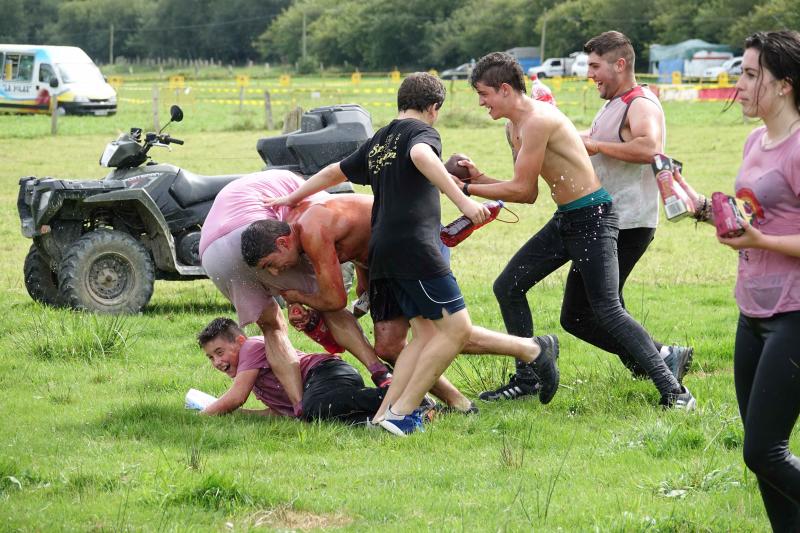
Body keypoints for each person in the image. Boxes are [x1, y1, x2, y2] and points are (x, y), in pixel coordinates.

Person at [266, 72, 561, 435]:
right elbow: (421, 154)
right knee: (454, 331)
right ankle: (404, 413)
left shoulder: (380, 139)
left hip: (382, 250)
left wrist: (291, 198)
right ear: (434, 108)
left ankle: (383, 417)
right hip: (414, 248)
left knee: (422, 337)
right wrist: (465, 203)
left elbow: (332, 172)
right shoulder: (421, 135)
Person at [457, 51, 693, 409]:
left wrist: (465, 189)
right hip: (567, 218)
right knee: (508, 286)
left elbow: (522, 192)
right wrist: (479, 180)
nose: (480, 102)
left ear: (504, 89)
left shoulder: (537, 120)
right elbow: (526, 187)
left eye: (483, 94)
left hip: (594, 218)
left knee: (608, 309)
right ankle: (528, 378)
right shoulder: (514, 126)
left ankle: (676, 393)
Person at [241, 193, 560, 411]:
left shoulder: (311, 231)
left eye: (271, 262)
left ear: (283, 242)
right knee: (390, 347)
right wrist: (363, 292)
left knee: (442, 334)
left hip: (412, 249)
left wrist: (299, 298)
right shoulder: (300, 227)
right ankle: (460, 405)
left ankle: (532, 349)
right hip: (383, 263)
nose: (275, 271)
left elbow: (334, 299)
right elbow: (358, 243)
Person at [674, 30, 800, 531]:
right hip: (752, 311)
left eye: (751, 75)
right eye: (741, 73)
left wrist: (761, 242)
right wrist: (704, 209)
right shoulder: (755, 139)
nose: (739, 85)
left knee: (763, 452)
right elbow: (757, 216)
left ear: (785, 85)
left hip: (794, 314)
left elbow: (765, 235)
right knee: (765, 458)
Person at [199, 170, 392, 418]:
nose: (275, 275)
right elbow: (331, 241)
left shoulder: (261, 186)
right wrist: (306, 296)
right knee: (329, 303)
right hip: (247, 231)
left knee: (271, 327)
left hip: (211, 254)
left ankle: (298, 406)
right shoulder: (308, 195)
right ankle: (379, 372)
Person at [564, 31, 693, 384]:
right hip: (608, 220)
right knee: (592, 311)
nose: (589, 74)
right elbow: (602, 142)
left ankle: (663, 358)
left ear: (620, 64)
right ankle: (658, 361)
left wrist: (596, 145)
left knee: (584, 313)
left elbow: (650, 147)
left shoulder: (641, 103)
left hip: (627, 222)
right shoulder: (616, 102)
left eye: (595, 66)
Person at [197, 317, 387, 423]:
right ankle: (384, 418)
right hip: (327, 389)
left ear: (240, 341)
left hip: (327, 372)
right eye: (211, 357)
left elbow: (236, 397)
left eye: (219, 352)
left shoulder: (251, 346)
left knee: (313, 408)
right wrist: (242, 414)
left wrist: (203, 415)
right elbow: (280, 412)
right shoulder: (252, 375)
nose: (217, 362)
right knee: (320, 419)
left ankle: (388, 395)